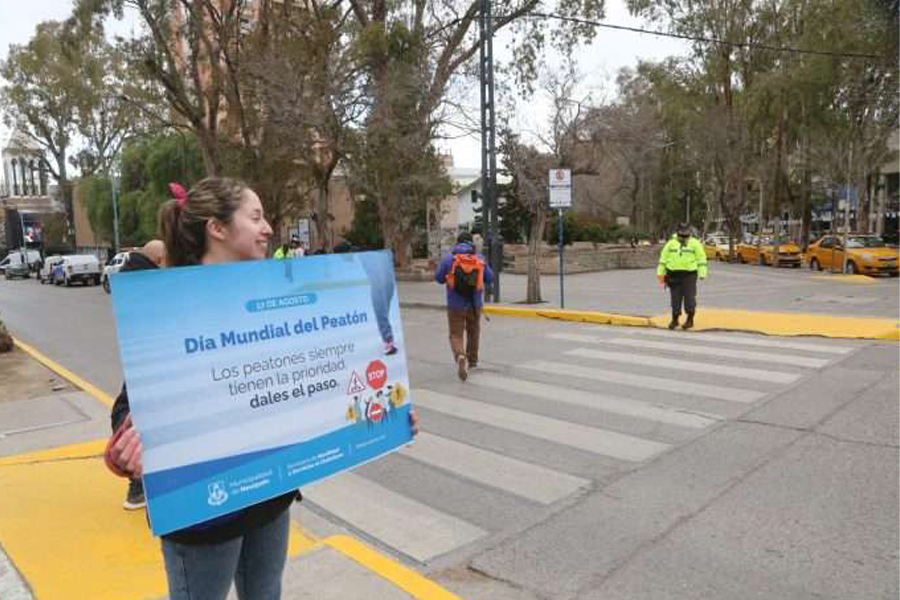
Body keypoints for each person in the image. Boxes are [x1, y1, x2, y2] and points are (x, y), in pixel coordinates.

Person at [106, 177, 418, 600]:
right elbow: (130, 407)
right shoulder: (169, 304)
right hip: (203, 512)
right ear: (217, 229)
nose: (268, 227)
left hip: (270, 496)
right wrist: (126, 450)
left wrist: (388, 414)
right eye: (255, 217)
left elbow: (313, 380)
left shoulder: (276, 291)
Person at [111, 239, 167, 510]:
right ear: (159, 260)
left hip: (142, 359)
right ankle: (138, 484)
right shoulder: (150, 282)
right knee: (134, 406)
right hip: (150, 358)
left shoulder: (132, 277)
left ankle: (138, 484)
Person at [435, 231, 493, 381]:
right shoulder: (479, 258)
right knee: (473, 332)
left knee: (456, 334)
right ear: (471, 244)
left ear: (457, 243)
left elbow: (438, 278)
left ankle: (460, 355)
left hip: (455, 305)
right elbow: (490, 277)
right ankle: (472, 361)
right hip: (475, 305)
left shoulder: (449, 259)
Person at [657, 223, 707, 330]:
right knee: (675, 299)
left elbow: (701, 258)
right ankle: (675, 320)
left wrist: (702, 273)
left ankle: (690, 319)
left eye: (686, 232)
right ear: (678, 231)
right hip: (673, 274)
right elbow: (663, 259)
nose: (684, 235)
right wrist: (660, 273)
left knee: (690, 298)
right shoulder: (671, 243)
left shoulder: (695, 243)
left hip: (689, 275)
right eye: (682, 232)